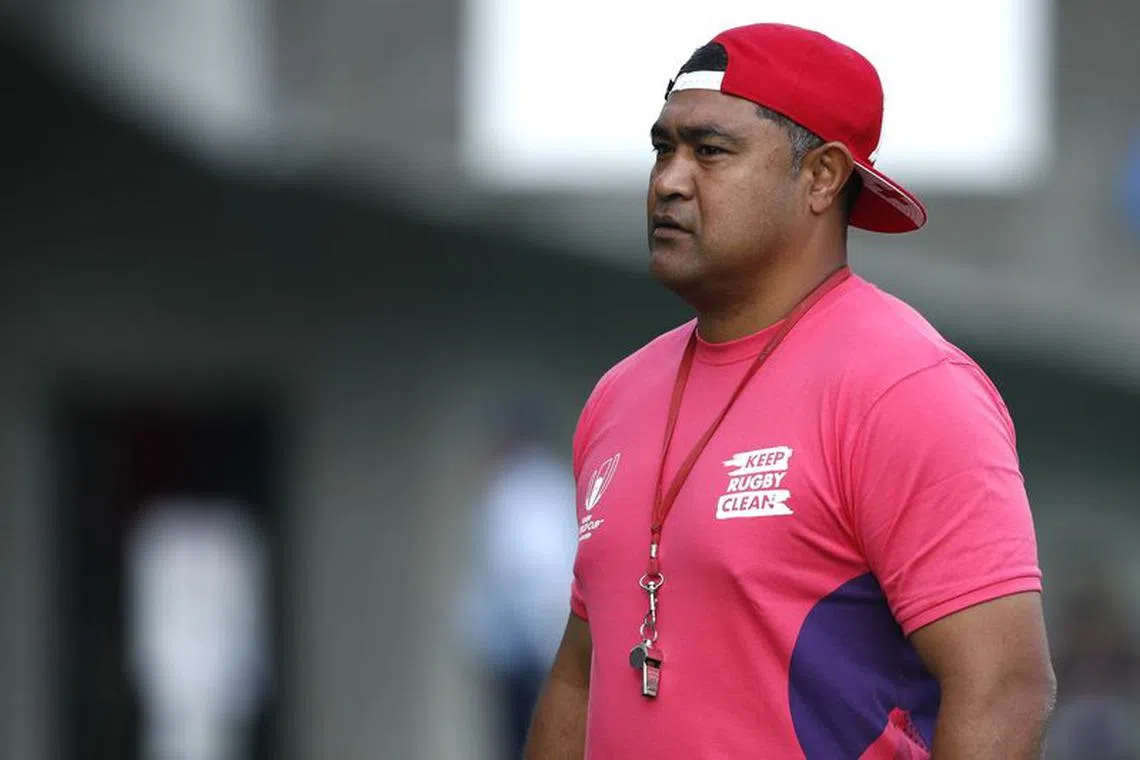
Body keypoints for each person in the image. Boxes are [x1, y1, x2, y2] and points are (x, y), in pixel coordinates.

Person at [525, 23, 1056, 760]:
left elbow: (1003, 687)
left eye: (710, 151)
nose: (669, 181)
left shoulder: (905, 387)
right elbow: (581, 676)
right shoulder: (619, 394)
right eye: (663, 149)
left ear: (822, 177)